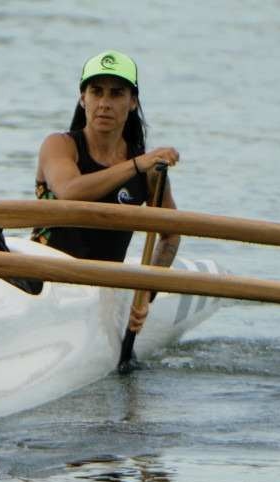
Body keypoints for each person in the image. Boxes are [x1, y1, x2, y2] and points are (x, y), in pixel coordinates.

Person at [32, 50, 181, 332]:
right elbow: (69, 192)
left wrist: (146, 295)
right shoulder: (60, 145)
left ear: (133, 102)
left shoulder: (149, 171)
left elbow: (171, 234)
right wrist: (136, 165)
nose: (104, 103)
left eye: (116, 94)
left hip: (102, 291)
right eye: (96, 92)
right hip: (44, 280)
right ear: (82, 98)